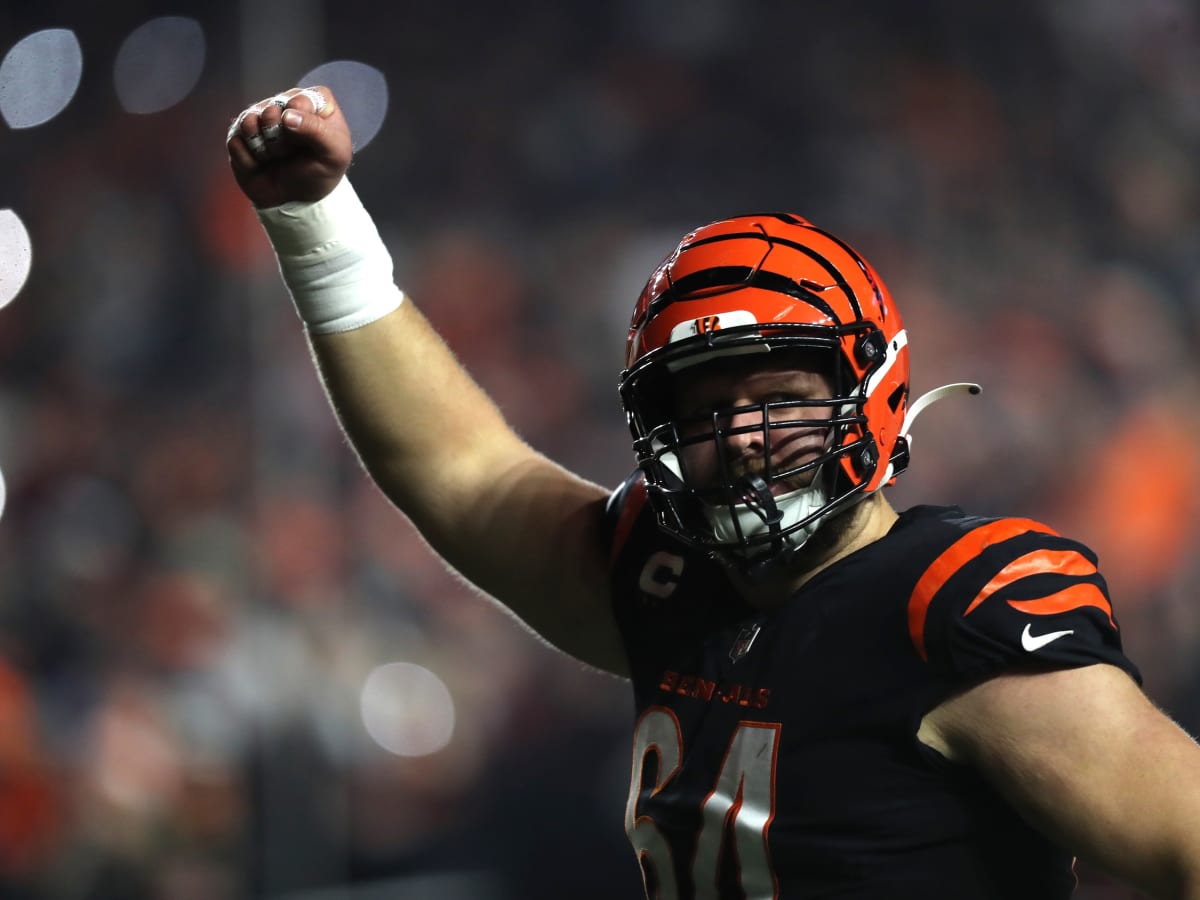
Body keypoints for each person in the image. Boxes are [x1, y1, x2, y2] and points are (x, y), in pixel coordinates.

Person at [226, 85, 1200, 899]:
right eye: (703, 411)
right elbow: (463, 470)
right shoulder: (671, 577)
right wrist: (318, 223)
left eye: (777, 400)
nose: (739, 436)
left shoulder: (951, 609)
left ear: (873, 394)